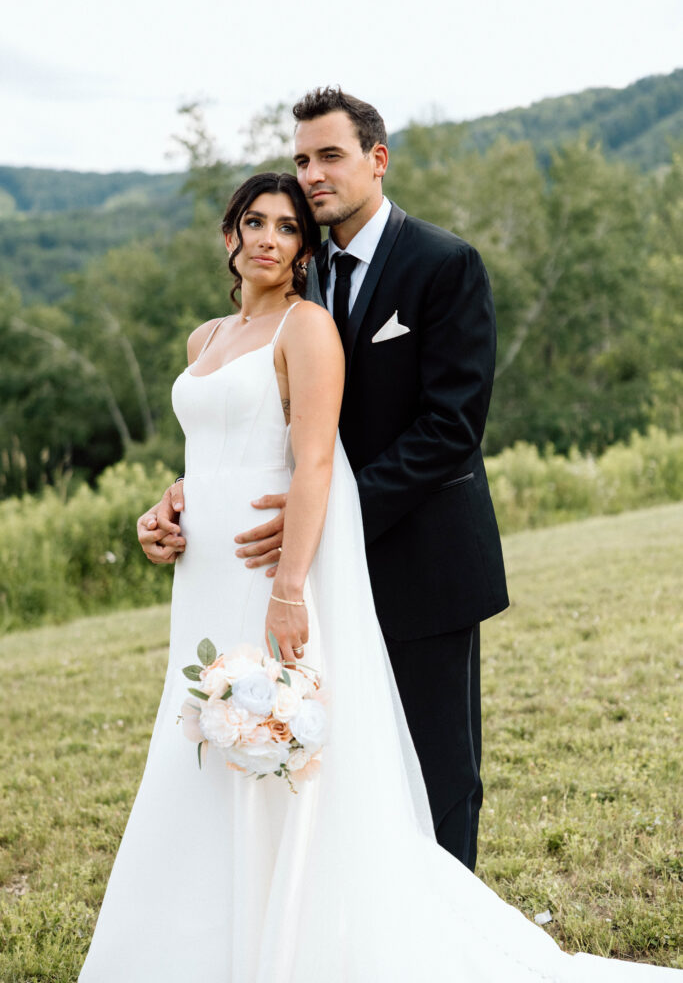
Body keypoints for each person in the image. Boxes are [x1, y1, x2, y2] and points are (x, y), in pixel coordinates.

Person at [83, 169, 679, 982]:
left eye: (286, 227)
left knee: (281, 734)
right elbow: (207, 449)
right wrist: (171, 504)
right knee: (204, 730)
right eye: (251, 222)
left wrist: (291, 587)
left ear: (303, 248)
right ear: (228, 235)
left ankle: (291, 929)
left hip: (270, 567)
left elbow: (316, 458)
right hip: (206, 574)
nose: (266, 237)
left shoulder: (309, 327)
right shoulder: (203, 340)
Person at [138, 87, 509, 873]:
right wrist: (187, 495)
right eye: (302, 158)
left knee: (437, 768)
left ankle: (443, 932)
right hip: (299, 560)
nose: (311, 173)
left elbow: (450, 428)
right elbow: (268, 420)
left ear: (377, 160)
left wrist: (328, 514)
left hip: (420, 556)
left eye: (329, 156)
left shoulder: (443, 265)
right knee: (335, 762)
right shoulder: (301, 290)